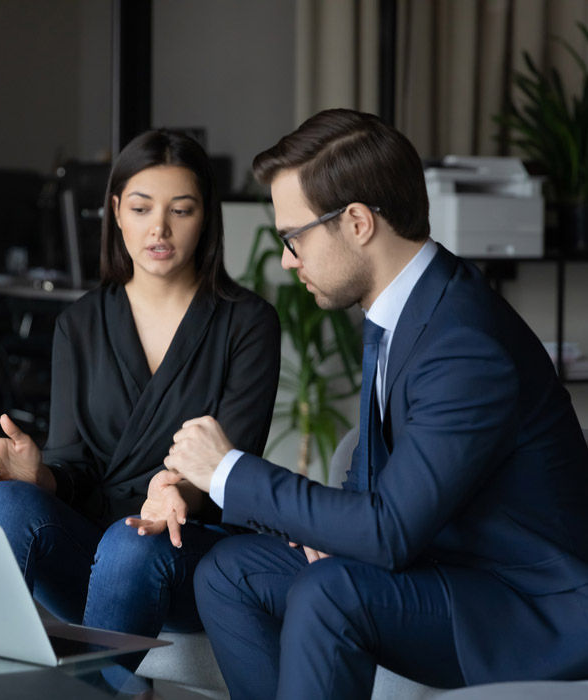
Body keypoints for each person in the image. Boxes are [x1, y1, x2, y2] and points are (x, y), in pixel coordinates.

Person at [164, 109, 588, 699]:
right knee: (231, 573)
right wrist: (210, 487)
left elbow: (388, 531)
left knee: (331, 591)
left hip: (524, 608)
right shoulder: (399, 312)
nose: (287, 259)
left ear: (358, 222)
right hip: (443, 567)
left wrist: (227, 470)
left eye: (294, 237)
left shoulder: (464, 343)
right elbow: (370, 496)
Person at [0, 129, 280, 672]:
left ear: (206, 218)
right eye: (142, 207)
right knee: (9, 502)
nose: (160, 228)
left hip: (184, 549)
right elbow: (74, 469)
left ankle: (99, 689)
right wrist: (42, 477)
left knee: (133, 544)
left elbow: (226, 470)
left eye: (182, 209)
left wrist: (175, 490)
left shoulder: (246, 324)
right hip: (90, 548)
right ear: (116, 213)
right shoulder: (79, 324)